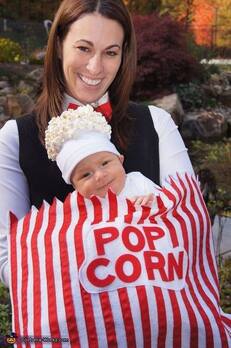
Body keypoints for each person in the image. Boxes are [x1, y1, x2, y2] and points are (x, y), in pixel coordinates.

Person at [0, 0, 193, 288]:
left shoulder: (157, 123)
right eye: (83, 48)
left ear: (124, 56)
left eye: (110, 52)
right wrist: (85, 269)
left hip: (150, 322)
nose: (95, 67)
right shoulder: (15, 138)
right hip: (59, 325)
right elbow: (6, 260)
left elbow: (189, 225)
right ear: (59, 46)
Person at [45, 104, 156, 206]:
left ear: (120, 160)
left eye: (105, 163)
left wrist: (152, 204)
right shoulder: (75, 206)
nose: (99, 175)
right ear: (74, 186)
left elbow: (169, 206)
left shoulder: (138, 183)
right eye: (86, 175)